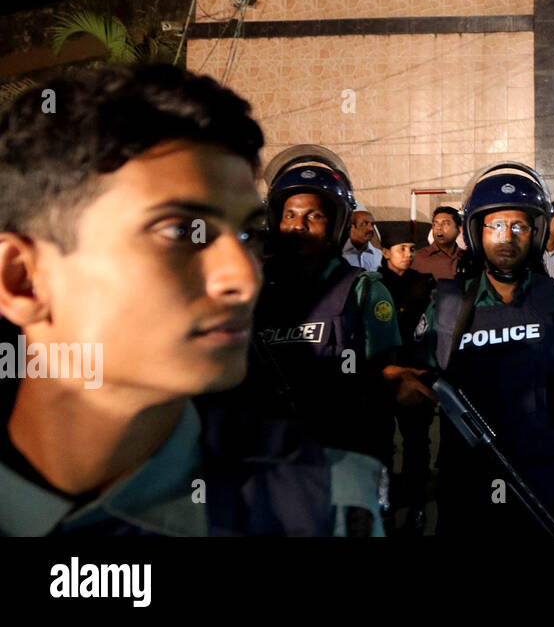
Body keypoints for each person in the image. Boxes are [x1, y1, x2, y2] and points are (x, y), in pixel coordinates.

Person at [0, 65, 385, 536]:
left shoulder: (321, 504)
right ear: (22, 280)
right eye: (179, 231)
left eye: (248, 233)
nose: (243, 276)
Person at [417, 163, 554, 537]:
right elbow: (415, 382)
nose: (507, 236)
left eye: (518, 226)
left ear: (535, 233)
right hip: (465, 484)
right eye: (496, 226)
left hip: (542, 481)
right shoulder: (446, 305)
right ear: (476, 231)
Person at [229, 145, 429, 471]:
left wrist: (392, 379)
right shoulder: (255, 291)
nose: (298, 225)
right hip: (269, 462)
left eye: (314, 216)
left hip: (344, 458)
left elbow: (384, 372)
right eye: (289, 215)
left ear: (335, 225)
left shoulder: (364, 290)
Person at [379, 224, 436, 535]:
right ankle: (384, 505)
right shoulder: (372, 284)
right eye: (402, 249)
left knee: (417, 444)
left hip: (416, 373)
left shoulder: (424, 283)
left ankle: (416, 506)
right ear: (386, 252)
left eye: (412, 249)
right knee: (381, 443)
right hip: (382, 375)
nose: (409, 254)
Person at [411, 205, 461, 280]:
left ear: (458, 229)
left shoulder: (468, 258)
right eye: (435, 224)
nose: (438, 227)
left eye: (445, 223)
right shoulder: (418, 258)